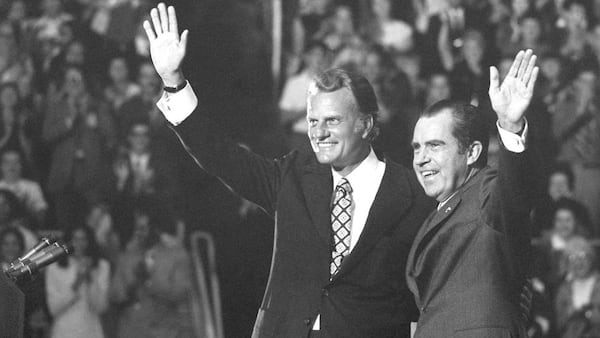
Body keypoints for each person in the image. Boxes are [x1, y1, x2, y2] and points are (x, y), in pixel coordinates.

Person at [142, 3, 433, 337]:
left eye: (332, 121)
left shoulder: (412, 194)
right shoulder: (293, 177)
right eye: (312, 121)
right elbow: (220, 156)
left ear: (366, 125)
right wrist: (174, 82)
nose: (319, 133)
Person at [406, 49, 541, 337]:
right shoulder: (438, 209)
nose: (421, 158)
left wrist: (509, 126)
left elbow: (514, 191)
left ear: (472, 153)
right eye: (417, 148)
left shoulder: (487, 194)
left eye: (435, 145)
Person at [45, 225, 110, 338]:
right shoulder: (54, 267)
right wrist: (77, 283)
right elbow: (53, 308)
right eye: (75, 239)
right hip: (64, 331)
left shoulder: (102, 266)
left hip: (91, 331)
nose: (79, 244)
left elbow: (101, 307)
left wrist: (90, 278)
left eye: (83, 239)